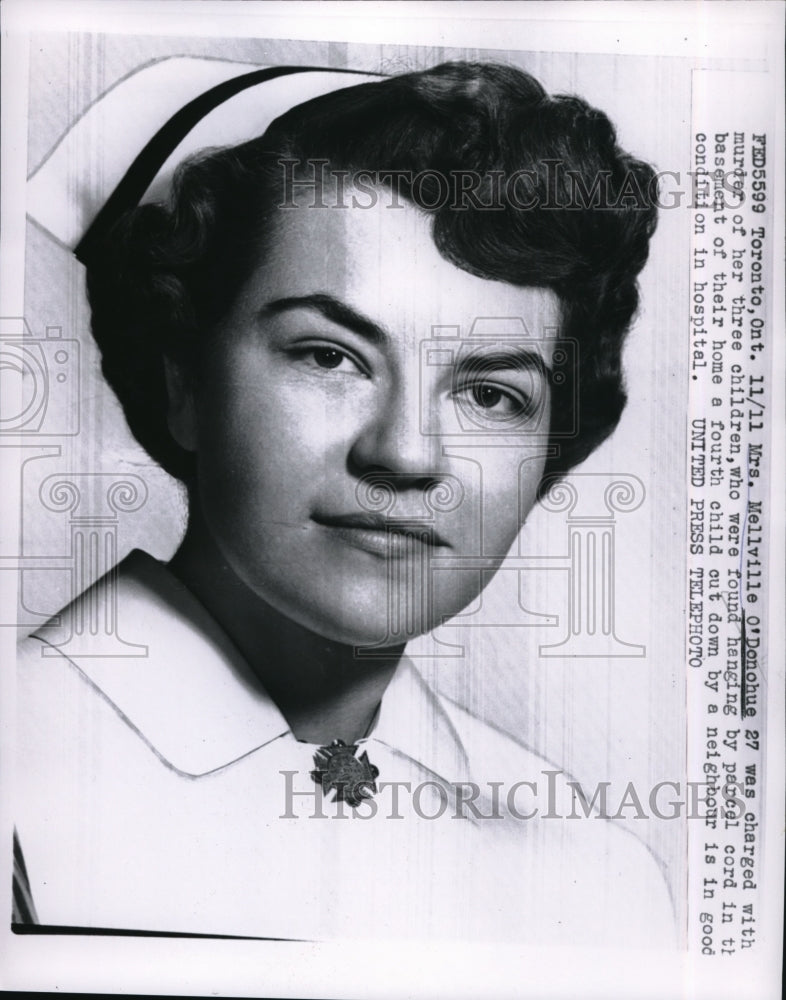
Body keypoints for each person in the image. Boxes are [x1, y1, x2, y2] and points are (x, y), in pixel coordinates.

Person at [15, 58, 674, 945]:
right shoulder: (26, 763)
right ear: (183, 379)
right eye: (329, 356)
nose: (405, 452)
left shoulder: (601, 880)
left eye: (490, 394)